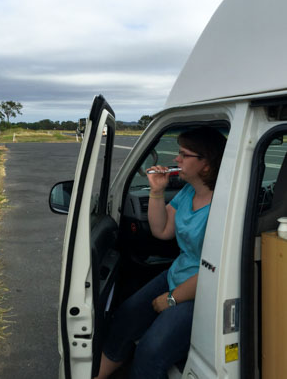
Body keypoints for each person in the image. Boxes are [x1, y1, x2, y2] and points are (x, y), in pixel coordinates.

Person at [95, 126, 227, 379]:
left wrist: (172, 298)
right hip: (178, 273)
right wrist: (156, 191)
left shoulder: (222, 207)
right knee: (126, 316)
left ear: (206, 165)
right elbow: (162, 230)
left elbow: (215, 268)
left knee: (151, 351)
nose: (176, 159)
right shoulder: (189, 191)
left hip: (204, 290)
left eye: (183, 154)